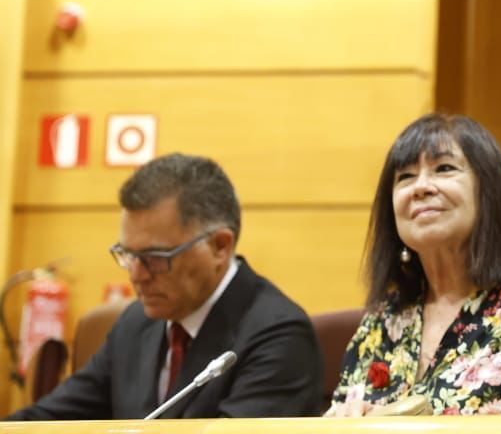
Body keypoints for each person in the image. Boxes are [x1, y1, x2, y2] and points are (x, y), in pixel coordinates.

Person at [7, 153, 323, 420]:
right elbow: (47, 422)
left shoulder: (278, 336)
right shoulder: (134, 323)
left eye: (155, 257)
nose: (136, 275)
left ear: (219, 246)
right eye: (128, 255)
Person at [326, 113, 501, 416]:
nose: (421, 187)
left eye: (444, 169)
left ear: (489, 191)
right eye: (405, 177)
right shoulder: (383, 319)